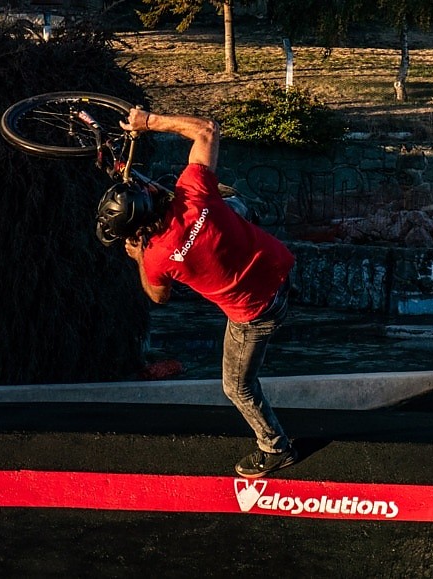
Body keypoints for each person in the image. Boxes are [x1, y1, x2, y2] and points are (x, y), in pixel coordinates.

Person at [95, 108, 298, 478]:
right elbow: (207, 129)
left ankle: (275, 447)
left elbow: (158, 297)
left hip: (258, 311)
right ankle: (230, 208)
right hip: (281, 268)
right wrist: (149, 122)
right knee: (222, 200)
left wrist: (139, 258)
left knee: (237, 387)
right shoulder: (192, 194)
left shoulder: (156, 258)